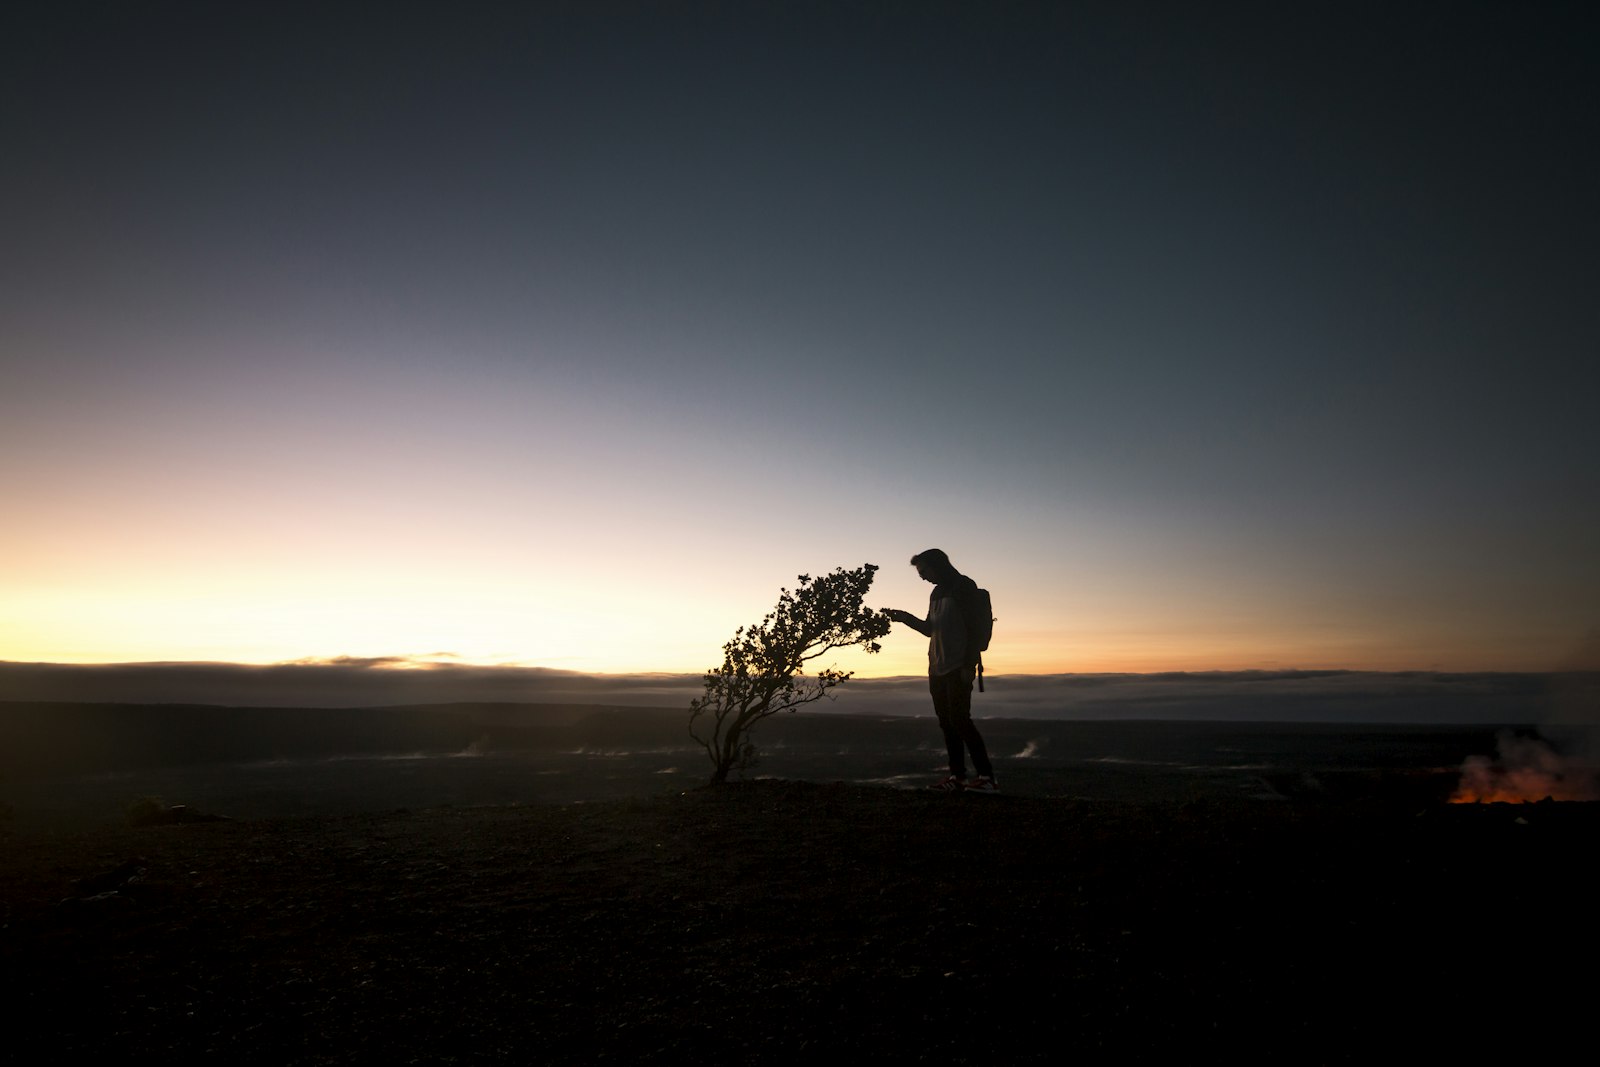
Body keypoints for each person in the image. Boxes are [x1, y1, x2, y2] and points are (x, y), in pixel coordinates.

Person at [883, 549, 998, 792]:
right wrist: (904, 618)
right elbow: (929, 629)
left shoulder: (964, 587)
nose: (922, 577)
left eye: (924, 571)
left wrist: (969, 665)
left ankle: (987, 777)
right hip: (937, 667)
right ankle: (958, 777)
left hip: (958, 667)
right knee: (947, 723)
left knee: (960, 721)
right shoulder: (936, 593)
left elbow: (975, 631)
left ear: (938, 565)